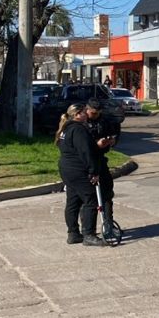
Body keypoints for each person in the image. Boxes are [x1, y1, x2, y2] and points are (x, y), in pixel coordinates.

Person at [56, 104, 106, 246]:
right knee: (90, 199)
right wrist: (93, 171)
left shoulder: (65, 128)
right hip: (77, 169)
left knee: (73, 200)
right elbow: (86, 152)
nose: (87, 114)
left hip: (67, 168)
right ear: (77, 114)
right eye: (84, 112)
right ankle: (88, 234)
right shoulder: (78, 130)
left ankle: (73, 233)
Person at [85, 98, 122, 242]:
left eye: (98, 113)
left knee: (107, 194)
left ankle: (108, 224)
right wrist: (96, 145)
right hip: (86, 162)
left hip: (101, 160)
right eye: (93, 113)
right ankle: (87, 231)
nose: (95, 116)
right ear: (87, 110)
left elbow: (114, 132)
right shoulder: (82, 123)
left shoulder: (104, 120)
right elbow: (82, 146)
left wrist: (112, 140)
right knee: (89, 198)